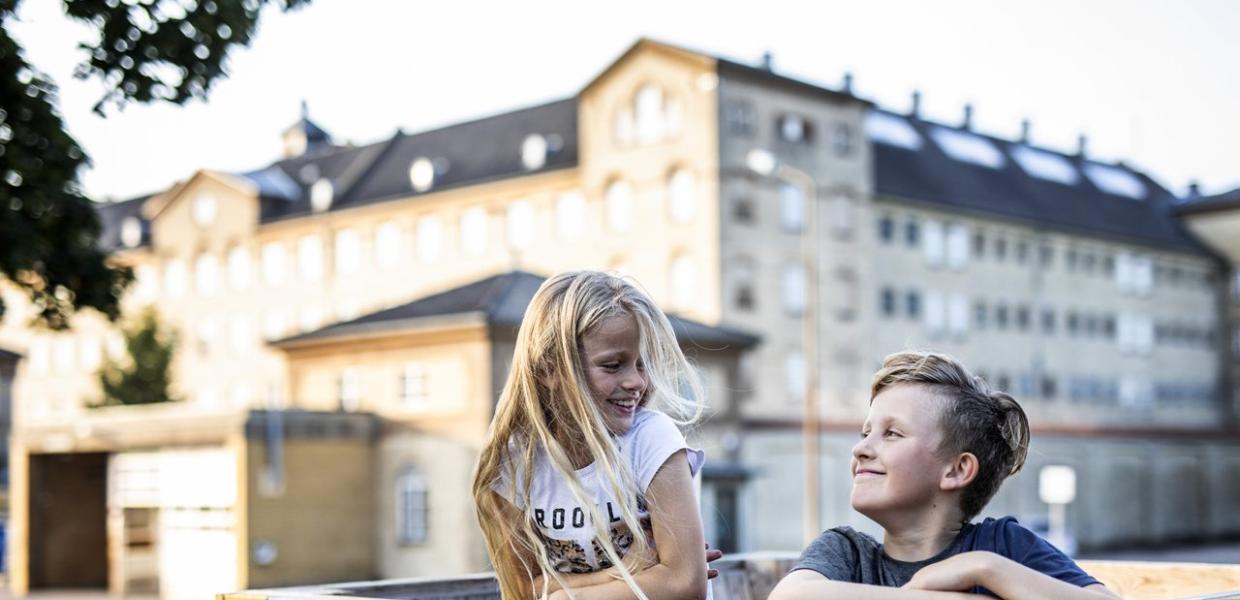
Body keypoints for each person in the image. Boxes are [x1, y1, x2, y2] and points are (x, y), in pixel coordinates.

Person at [770, 351, 1119, 600]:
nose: (860, 449)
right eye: (866, 433)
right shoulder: (846, 554)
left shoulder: (1002, 547)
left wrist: (984, 568)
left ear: (956, 470)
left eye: (892, 434)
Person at [472, 271, 716, 600]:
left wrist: (563, 595)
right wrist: (626, 570)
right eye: (613, 365)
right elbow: (523, 590)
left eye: (641, 365)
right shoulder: (514, 462)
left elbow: (685, 585)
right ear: (548, 369)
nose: (636, 382)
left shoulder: (652, 441)